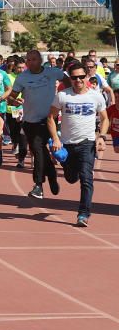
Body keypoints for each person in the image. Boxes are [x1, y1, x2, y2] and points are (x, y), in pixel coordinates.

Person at [48, 62, 110, 227]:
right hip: (67, 144)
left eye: (81, 77)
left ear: (86, 77)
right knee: (70, 178)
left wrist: (101, 137)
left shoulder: (95, 96)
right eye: (74, 77)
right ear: (70, 78)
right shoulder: (62, 96)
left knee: (86, 178)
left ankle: (83, 214)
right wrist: (55, 138)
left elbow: (104, 118)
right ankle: (65, 165)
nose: (78, 80)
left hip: (87, 143)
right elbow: (50, 118)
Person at [8, 50, 67, 199]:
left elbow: (67, 81)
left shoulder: (53, 72)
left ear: (40, 60)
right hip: (31, 122)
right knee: (39, 151)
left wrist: (65, 96)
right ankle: (46, 180)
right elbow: (11, 98)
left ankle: (42, 182)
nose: (30, 62)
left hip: (49, 119)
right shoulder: (22, 77)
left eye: (34, 59)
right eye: (28, 60)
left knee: (41, 151)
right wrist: (15, 101)